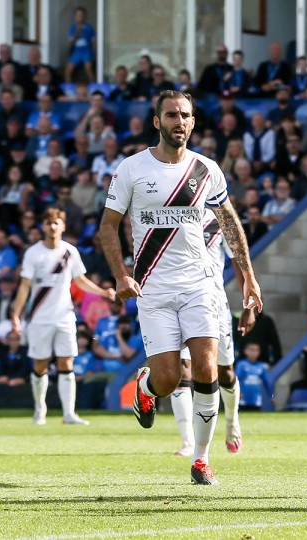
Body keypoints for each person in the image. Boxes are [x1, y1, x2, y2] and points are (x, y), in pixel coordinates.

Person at [98, 90, 263, 485]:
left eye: (186, 115)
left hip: (200, 284)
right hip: (151, 288)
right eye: (171, 115)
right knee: (169, 379)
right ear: (157, 122)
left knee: (207, 367)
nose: (180, 122)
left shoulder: (206, 169)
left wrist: (250, 278)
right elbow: (107, 226)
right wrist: (121, 275)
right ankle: (147, 385)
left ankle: (202, 460)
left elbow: (229, 225)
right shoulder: (132, 169)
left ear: (193, 121)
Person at [9, 208, 115, 425]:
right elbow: (24, 287)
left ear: (63, 226)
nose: (52, 226)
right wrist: (16, 315)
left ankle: (69, 413)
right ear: (43, 226)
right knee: (41, 365)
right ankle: (40, 409)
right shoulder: (33, 253)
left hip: (65, 316)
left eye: (56, 222)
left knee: (67, 362)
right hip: (40, 318)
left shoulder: (70, 251)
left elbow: (81, 280)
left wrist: (103, 292)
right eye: (48, 223)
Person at [169, 209, 256, 457]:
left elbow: (239, 261)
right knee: (183, 370)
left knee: (224, 373)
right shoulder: (170, 214)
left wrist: (247, 304)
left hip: (214, 301)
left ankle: (232, 423)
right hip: (178, 299)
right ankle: (188, 441)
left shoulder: (218, 219)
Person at [65, 7, 96, 84]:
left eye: (81, 15)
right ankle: (69, 89)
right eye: (78, 15)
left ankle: (94, 87)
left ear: (84, 16)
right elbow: (72, 42)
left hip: (87, 51)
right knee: (67, 71)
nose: (79, 17)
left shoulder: (89, 28)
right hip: (77, 52)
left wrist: (95, 52)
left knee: (88, 69)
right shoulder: (73, 28)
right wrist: (77, 32)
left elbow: (93, 41)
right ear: (75, 17)